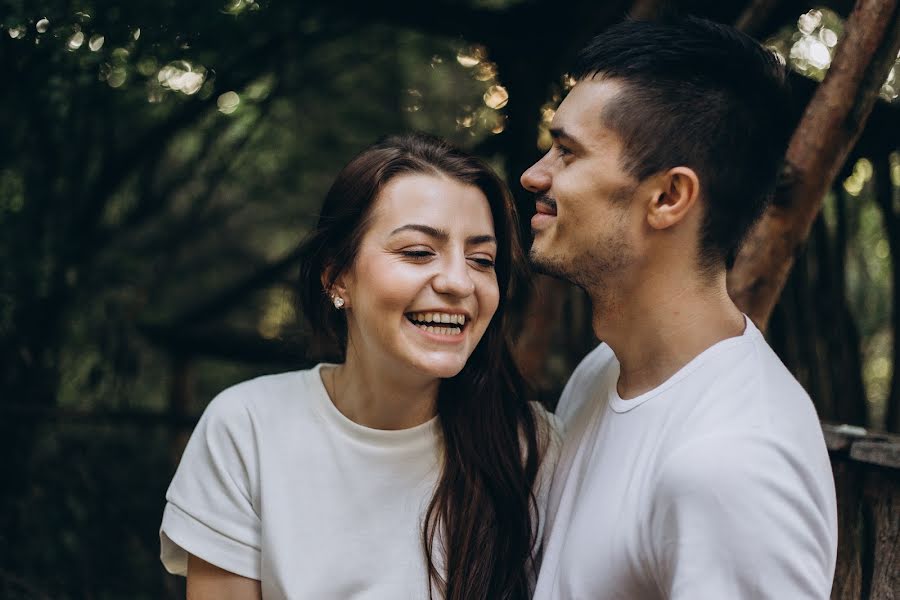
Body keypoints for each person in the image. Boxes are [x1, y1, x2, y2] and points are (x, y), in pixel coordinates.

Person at [159, 133, 559, 599]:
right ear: (337, 277)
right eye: (417, 252)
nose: (457, 281)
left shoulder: (532, 448)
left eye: (481, 259)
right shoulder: (247, 429)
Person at [523, 17, 838, 599]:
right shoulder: (603, 374)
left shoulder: (733, 463)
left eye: (567, 153)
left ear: (668, 197)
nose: (533, 174)